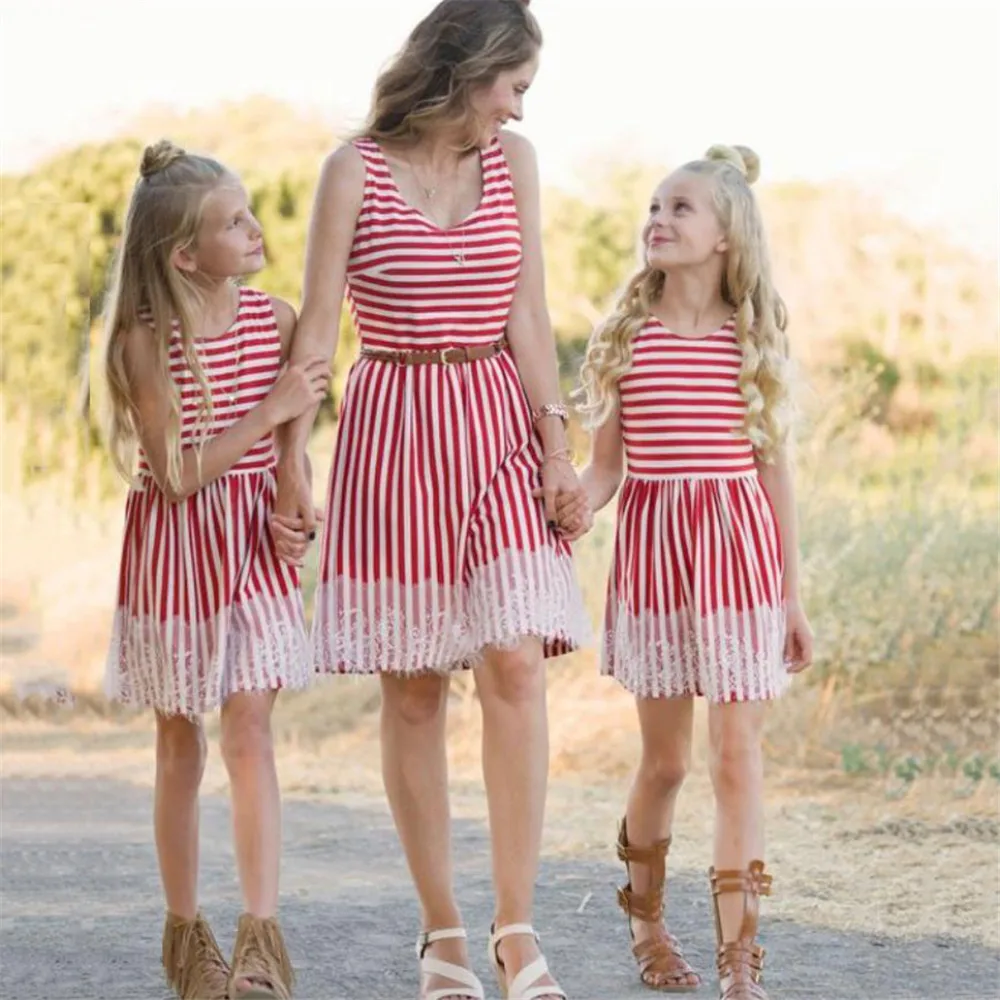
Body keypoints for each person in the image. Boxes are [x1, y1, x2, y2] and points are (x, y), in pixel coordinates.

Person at [270, 2, 591, 997]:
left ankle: (516, 925)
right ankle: (442, 932)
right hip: (394, 425)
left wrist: (555, 442)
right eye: (514, 88)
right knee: (411, 684)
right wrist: (291, 461)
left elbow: (529, 311)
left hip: (496, 419)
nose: (521, 113)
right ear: (467, 68)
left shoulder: (513, 168)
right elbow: (318, 333)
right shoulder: (352, 170)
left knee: (515, 661)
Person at [562, 145, 814, 999]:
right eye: (655, 207)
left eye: (681, 209)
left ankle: (741, 956)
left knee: (736, 756)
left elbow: (774, 468)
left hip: (738, 556)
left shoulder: (756, 333)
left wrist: (790, 595)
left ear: (725, 239)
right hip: (657, 560)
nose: (658, 221)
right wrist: (573, 505)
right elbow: (605, 468)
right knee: (666, 763)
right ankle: (648, 924)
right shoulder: (625, 334)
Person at [100, 139, 329, 1000]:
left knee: (249, 728)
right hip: (177, 547)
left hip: (249, 549)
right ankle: (187, 934)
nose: (256, 229)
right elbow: (179, 472)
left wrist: (292, 484)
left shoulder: (272, 321)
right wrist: (272, 411)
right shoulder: (142, 344)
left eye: (249, 212)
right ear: (185, 255)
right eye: (234, 222)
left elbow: (292, 430)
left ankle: (262, 938)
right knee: (178, 740)